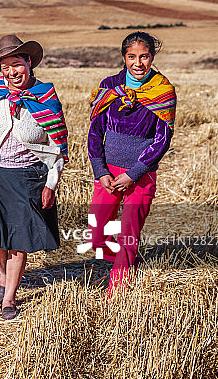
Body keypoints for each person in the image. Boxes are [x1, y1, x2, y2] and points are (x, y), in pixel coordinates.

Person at [0, 34, 68, 319]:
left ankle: (9, 298)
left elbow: (57, 146)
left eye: (17, 64)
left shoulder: (45, 97)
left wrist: (51, 183)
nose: (12, 72)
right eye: (5, 67)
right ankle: (4, 275)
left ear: (29, 63)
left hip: (28, 178)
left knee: (19, 242)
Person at [87, 31, 176, 294]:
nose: (138, 63)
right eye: (132, 56)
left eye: (144, 56)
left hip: (141, 176)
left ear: (152, 57)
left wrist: (134, 173)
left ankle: (117, 290)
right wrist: (100, 170)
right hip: (108, 175)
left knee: (128, 236)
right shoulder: (109, 86)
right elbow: (95, 132)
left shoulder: (163, 91)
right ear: (124, 57)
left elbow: (162, 140)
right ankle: (128, 262)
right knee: (96, 237)